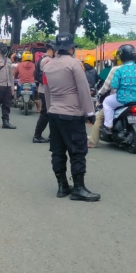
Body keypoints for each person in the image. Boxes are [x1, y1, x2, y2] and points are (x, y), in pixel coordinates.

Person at [43, 33, 100, 202]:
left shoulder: (47, 65)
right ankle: (79, 188)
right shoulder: (75, 64)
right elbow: (83, 89)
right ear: (71, 48)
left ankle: (62, 186)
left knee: (58, 151)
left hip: (54, 113)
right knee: (77, 151)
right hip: (72, 113)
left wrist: (49, 109)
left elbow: (46, 91)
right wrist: (90, 112)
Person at [102, 44, 136, 135]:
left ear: (122, 57)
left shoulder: (119, 70)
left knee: (107, 103)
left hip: (123, 99)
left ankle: (108, 126)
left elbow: (114, 85)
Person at [89, 52, 121, 148]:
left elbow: (105, 86)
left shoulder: (114, 69)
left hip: (117, 98)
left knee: (99, 117)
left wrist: (99, 93)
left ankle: (93, 142)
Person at [32, 40, 55, 143]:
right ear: (52, 50)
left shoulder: (43, 58)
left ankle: (52, 135)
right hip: (46, 90)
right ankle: (37, 135)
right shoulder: (48, 60)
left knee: (49, 114)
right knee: (45, 114)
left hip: (44, 89)